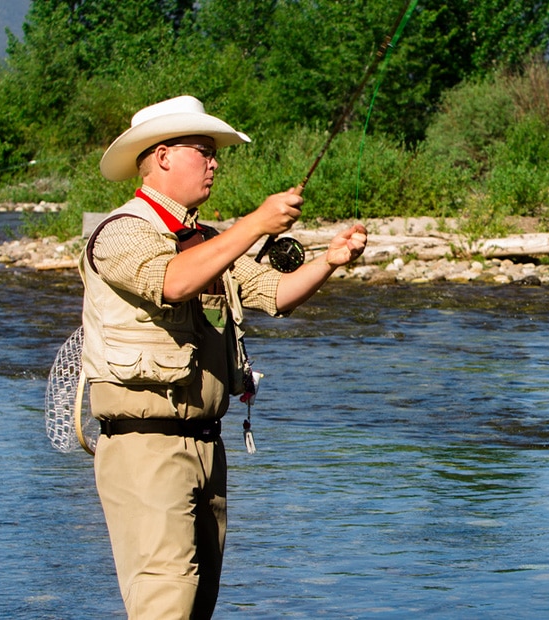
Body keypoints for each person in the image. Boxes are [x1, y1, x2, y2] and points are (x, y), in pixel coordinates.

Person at [81, 95, 367, 618]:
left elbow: (275, 294)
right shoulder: (119, 231)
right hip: (144, 447)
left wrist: (331, 259)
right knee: (165, 602)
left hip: (208, 450)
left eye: (216, 153)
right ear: (163, 155)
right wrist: (256, 223)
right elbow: (170, 281)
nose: (214, 163)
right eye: (203, 151)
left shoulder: (208, 239)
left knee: (197, 607)